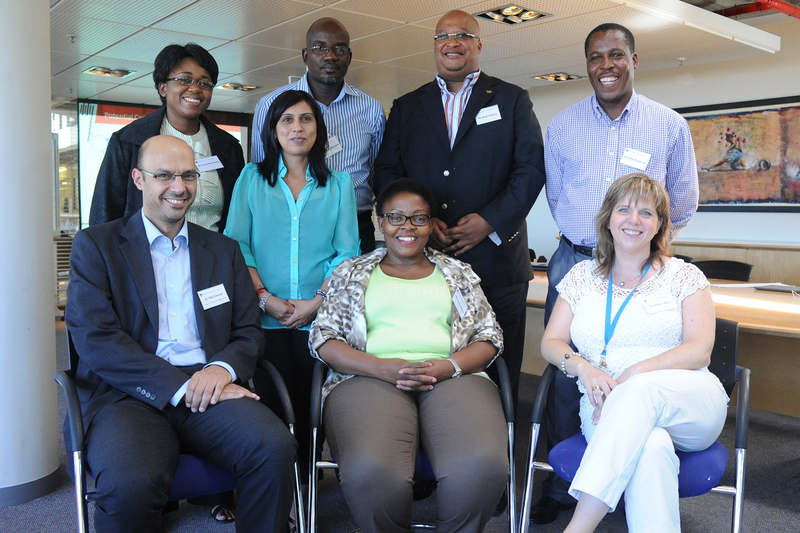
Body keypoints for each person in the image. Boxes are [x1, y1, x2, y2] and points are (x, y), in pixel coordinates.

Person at [66, 135, 296, 533]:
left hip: (210, 388)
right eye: (164, 175)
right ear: (138, 179)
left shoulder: (223, 251)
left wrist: (221, 370)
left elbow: (247, 331)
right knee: (130, 484)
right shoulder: (97, 246)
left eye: (188, 175)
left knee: (274, 448)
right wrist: (182, 385)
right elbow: (96, 340)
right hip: (128, 395)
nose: (179, 186)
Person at [537, 22, 700, 523]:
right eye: (594, 57)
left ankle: (615, 477)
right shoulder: (562, 125)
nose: (604, 66)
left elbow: (683, 198)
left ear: (634, 59)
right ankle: (565, 487)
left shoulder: (667, 124)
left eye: (615, 55)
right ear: (586, 64)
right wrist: (591, 245)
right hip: (577, 257)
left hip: (642, 260)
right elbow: (555, 193)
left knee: (638, 356)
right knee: (568, 369)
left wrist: (643, 244)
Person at [308, 178, 508, 533]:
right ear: (380, 222)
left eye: (419, 218)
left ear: (431, 225)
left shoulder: (457, 273)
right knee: (371, 469)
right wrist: (381, 368)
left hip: (454, 376)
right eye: (396, 217)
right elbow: (323, 338)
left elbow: (490, 336)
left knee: (483, 466)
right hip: (366, 377)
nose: (407, 227)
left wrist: (449, 366)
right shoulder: (350, 272)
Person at [373, 9, 546, 408]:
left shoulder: (511, 99)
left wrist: (489, 221)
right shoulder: (407, 106)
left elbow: (531, 168)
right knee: (432, 366)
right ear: (434, 47)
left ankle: (500, 458)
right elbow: (386, 171)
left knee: (501, 369)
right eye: (443, 36)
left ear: (479, 45)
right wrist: (421, 220)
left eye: (463, 35)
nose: (453, 42)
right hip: (425, 262)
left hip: (497, 261)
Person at [540, 173, 728, 533]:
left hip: (688, 401)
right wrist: (583, 368)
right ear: (608, 218)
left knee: (639, 390)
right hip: (602, 404)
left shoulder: (683, 276)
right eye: (624, 209)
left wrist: (635, 374)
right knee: (653, 447)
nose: (634, 220)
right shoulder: (581, 276)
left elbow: (700, 351)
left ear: (659, 225)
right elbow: (552, 343)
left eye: (647, 213)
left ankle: (577, 528)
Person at [225, 90, 359, 482]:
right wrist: (265, 298)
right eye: (287, 119)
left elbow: (346, 253)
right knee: (270, 407)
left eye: (306, 119)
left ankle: (307, 488)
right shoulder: (251, 179)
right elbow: (237, 245)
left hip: (319, 320)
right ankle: (276, 487)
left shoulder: (339, 185)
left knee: (311, 408)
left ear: (318, 128)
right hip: (263, 317)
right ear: (273, 129)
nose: (297, 128)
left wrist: (315, 302)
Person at [251, 17, 385, 252]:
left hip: (355, 222)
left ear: (349, 57)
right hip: (289, 222)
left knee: (352, 289)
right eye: (320, 48)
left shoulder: (371, 109)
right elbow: (262, 169)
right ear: (305, 55)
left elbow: (377, 171)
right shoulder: (270, 104)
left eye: (340, 49)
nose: (330, 56)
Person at [90, 43, 245, 234]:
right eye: (184, 80)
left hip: (211, 258)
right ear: (163, 87)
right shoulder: (128, 141)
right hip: (142, 258)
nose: (195, 88)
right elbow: (104, 213)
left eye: (204, 83)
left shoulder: (228, 147)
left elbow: (238, 215)